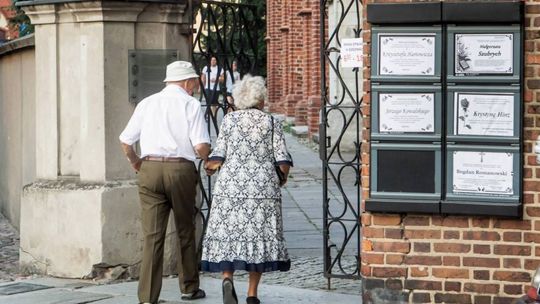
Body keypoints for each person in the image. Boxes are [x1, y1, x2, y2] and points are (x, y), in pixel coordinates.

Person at [119, 61, 211, 304]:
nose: (194, 87)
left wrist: (136, 162)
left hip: (149, 168)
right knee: (184, 230)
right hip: (180, 169)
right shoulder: (190, 104)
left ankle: (148, 297)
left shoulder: (147, 103)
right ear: (187, 82)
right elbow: (200, 145)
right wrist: (208, 158)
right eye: (193, 82)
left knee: (152, 235)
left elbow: (126, 141)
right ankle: (189, 287)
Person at [201, 75, 293, 304]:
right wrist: (281, 178)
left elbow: (217, 156)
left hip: (230, 187)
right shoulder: (271, 122)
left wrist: (210, 167)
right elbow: (282, 160)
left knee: (229, 235)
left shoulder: (229, 121)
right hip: (262, 188)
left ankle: (227, 278)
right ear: (261, 99)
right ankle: (252, 295)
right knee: (259, 238)